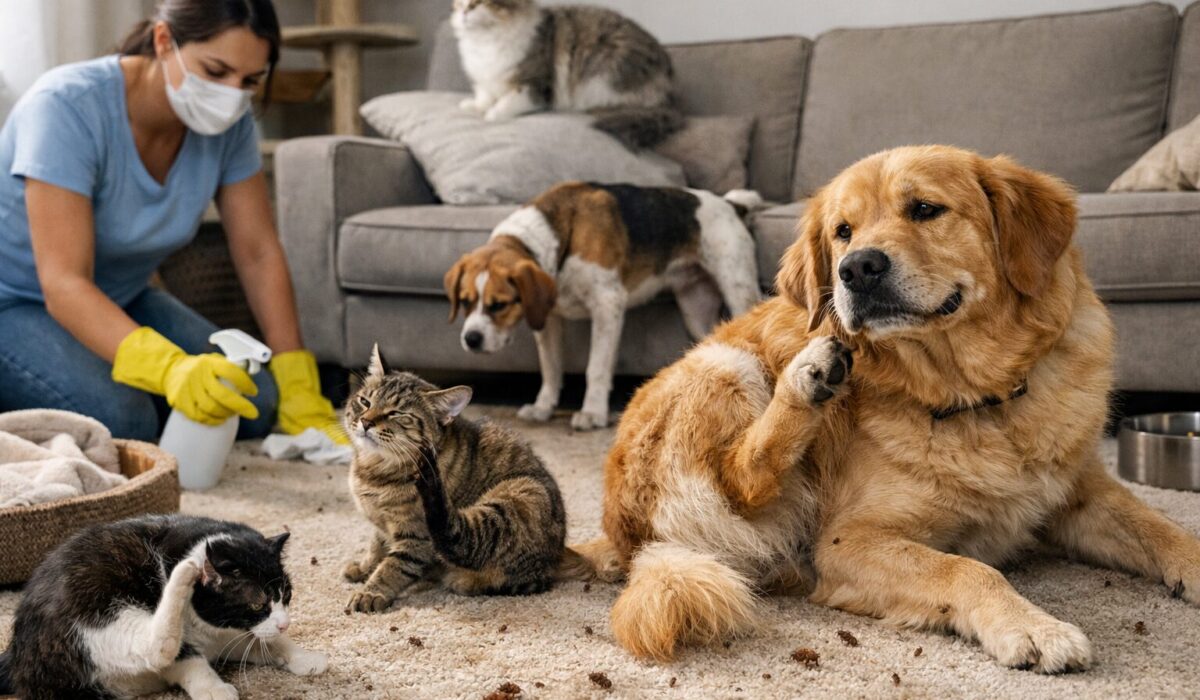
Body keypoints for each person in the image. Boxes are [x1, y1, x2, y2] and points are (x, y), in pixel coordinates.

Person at [0, 0, 345, 444]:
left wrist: (297, 378)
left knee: (254, 400)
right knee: (123, 421)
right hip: (15, 304)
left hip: (119, 298)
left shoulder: (231, 126)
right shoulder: (66, 107)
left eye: (249, 81)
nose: (231, 95)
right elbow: (64, 284)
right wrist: (169, 370)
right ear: (164, 41)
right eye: (216, 72)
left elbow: (258, 253)